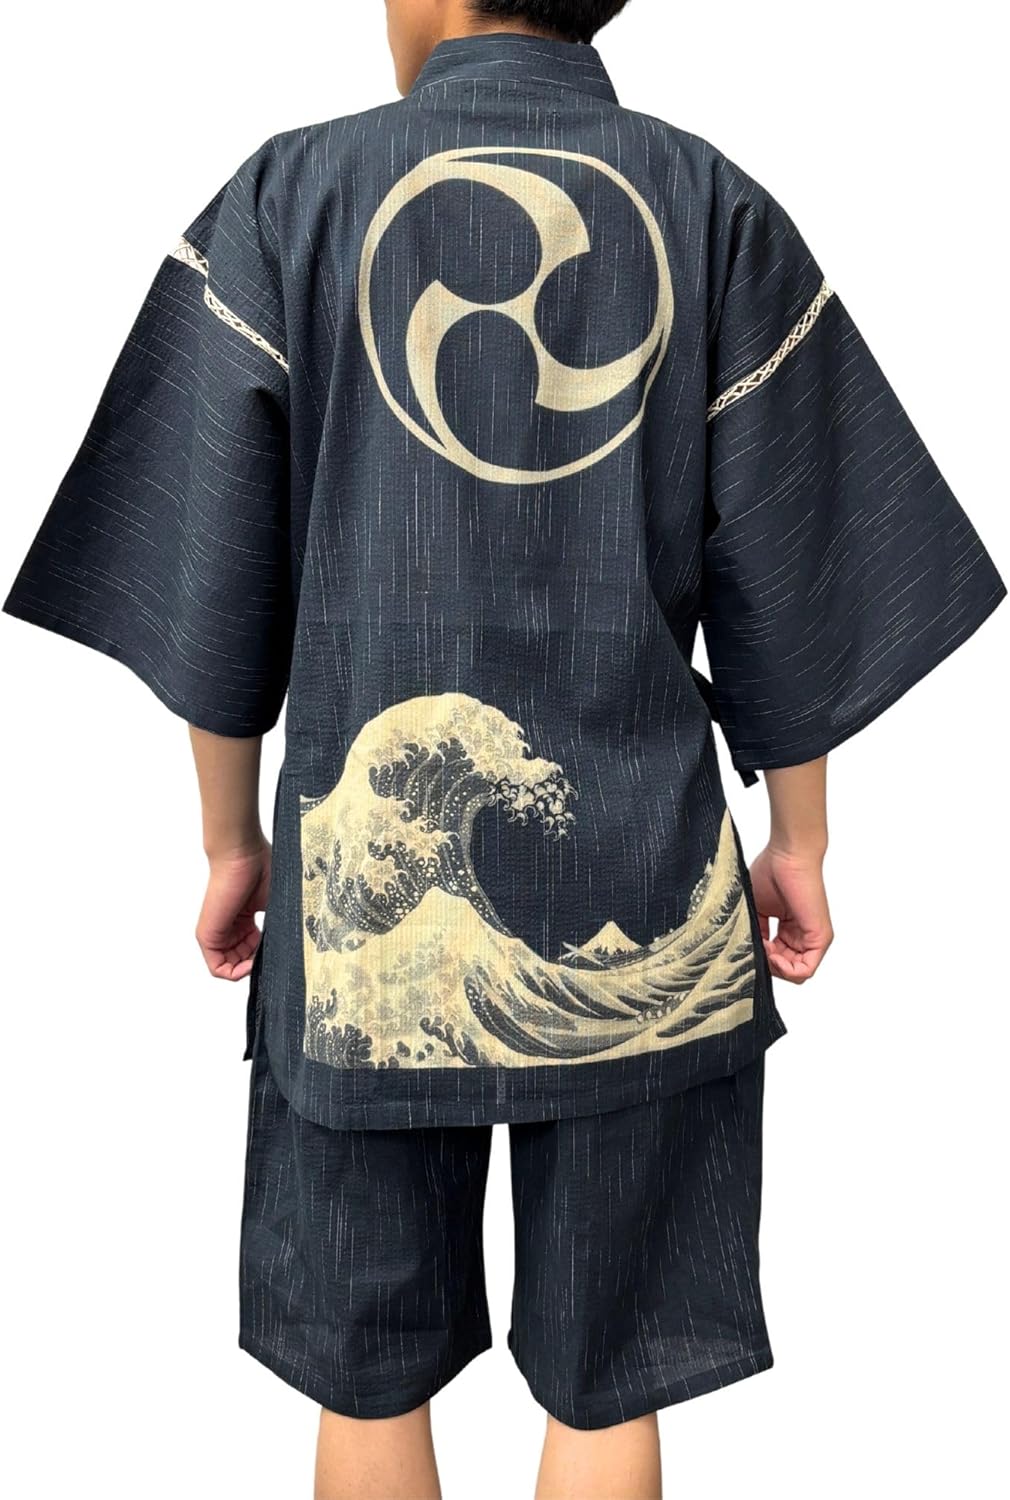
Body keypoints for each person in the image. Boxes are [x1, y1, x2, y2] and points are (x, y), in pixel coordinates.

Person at [3, 1, 1004, 1496]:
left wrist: (231, 843)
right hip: (646, 893)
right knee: (609, 1390)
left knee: (365, 1379)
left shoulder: (290, 194)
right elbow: (794, 575)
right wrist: (800, 843)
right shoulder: (708, 202)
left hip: (359, 923)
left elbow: (213, 578)